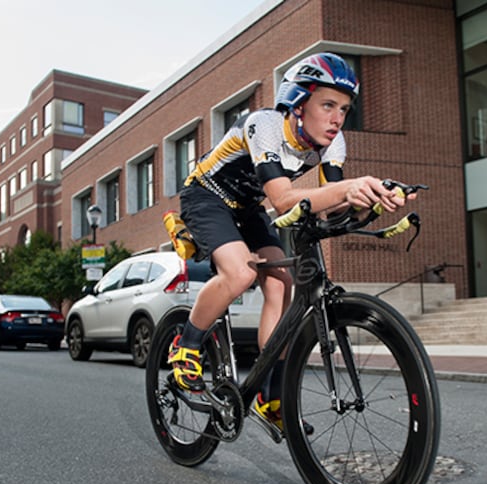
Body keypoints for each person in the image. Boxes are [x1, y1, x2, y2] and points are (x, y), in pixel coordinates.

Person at [168, 52, 413, 430]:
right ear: (298, 104)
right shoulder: (264, 124)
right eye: (327, 105)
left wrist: (378, 200)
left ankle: (268, 394)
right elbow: (284, 200)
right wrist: (351, 187)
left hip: (248, 206)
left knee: (281, 283)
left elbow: (331, 205)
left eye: (345, 109)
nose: (337, 119)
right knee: (240, 274)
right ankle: (186, 344)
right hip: (207, 195)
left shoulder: (333, 143)